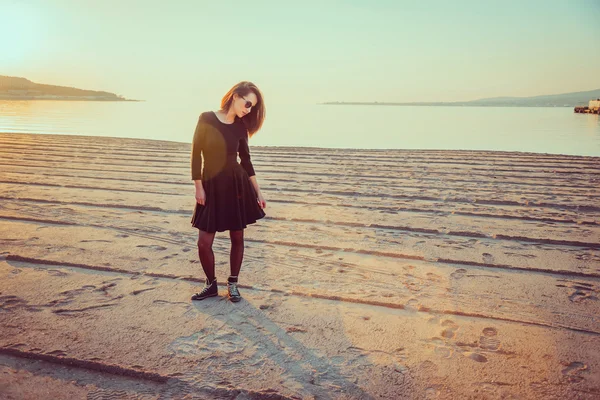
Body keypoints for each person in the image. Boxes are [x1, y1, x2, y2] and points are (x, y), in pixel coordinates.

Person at [190, 81, 266, 303]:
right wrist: (198, 187)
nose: (249, 109)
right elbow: (196, 155)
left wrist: (258, 192)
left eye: (253, 107)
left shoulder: (241, 127)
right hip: (211, 185)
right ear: (235, 96)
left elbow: (247, 160)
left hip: (236, 185)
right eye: (248, 103)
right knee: (203, 242)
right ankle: (210, 285)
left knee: (237, 236)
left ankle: (233, 284)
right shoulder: (206, 118)